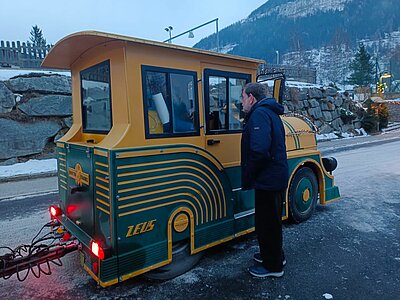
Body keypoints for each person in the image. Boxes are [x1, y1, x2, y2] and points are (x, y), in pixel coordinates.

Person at [240, 82, 289, 278]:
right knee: (273, 221)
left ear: (251, 97)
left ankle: (273, 267)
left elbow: (259, 150)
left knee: (266, 223)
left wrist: (250, 173)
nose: (241, 102)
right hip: (275, 177)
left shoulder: (259, 114)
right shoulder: (270, 112)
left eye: (243, 98)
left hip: (268, 179)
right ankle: (276, 256)